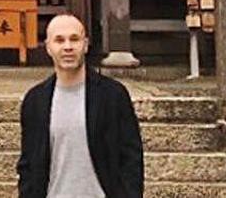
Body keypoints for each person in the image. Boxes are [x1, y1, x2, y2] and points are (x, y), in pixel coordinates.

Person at [16, 14, 144, 198]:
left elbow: (131, 159)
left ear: (85, 45)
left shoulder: (112, 95)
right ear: (48, 48)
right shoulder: (36, 100)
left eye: (74, 39)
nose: (68, 47)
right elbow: (28, 165)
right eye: (59, 40)